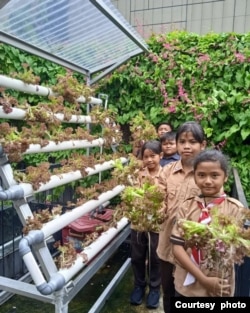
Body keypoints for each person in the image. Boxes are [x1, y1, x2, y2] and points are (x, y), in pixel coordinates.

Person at [170, 149, 245, 297]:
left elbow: (237, 247)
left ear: (225, 177)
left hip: (219, 284)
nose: (208, 181)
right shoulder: (187, 207)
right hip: (186, 283)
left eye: (215, 175)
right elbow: (177, 248)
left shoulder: (235, 209)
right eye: (201, 175)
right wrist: (203, 279)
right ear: (195, 177)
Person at [157, 121, 206, 313]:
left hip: (190, 250)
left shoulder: (207, 174)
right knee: (168, 291)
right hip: (166, 243)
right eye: (182, 141)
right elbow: (158, 198)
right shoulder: (167, 171)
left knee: (185, 294)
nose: (187, 146)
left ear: (203, 145)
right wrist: (156, 210)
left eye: (192, 142)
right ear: (177, 144)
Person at [130, 140, 163, 309]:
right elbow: (131, 195)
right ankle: (139, 286)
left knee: (156, 258)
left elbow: (167, 198)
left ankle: (155, 289)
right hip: (138, 223)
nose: (149, 160)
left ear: (161, 156)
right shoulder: (138, 174)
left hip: (157, 224)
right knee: (137, 257)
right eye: (146, 157)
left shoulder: (165, 175)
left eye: (153, 156)